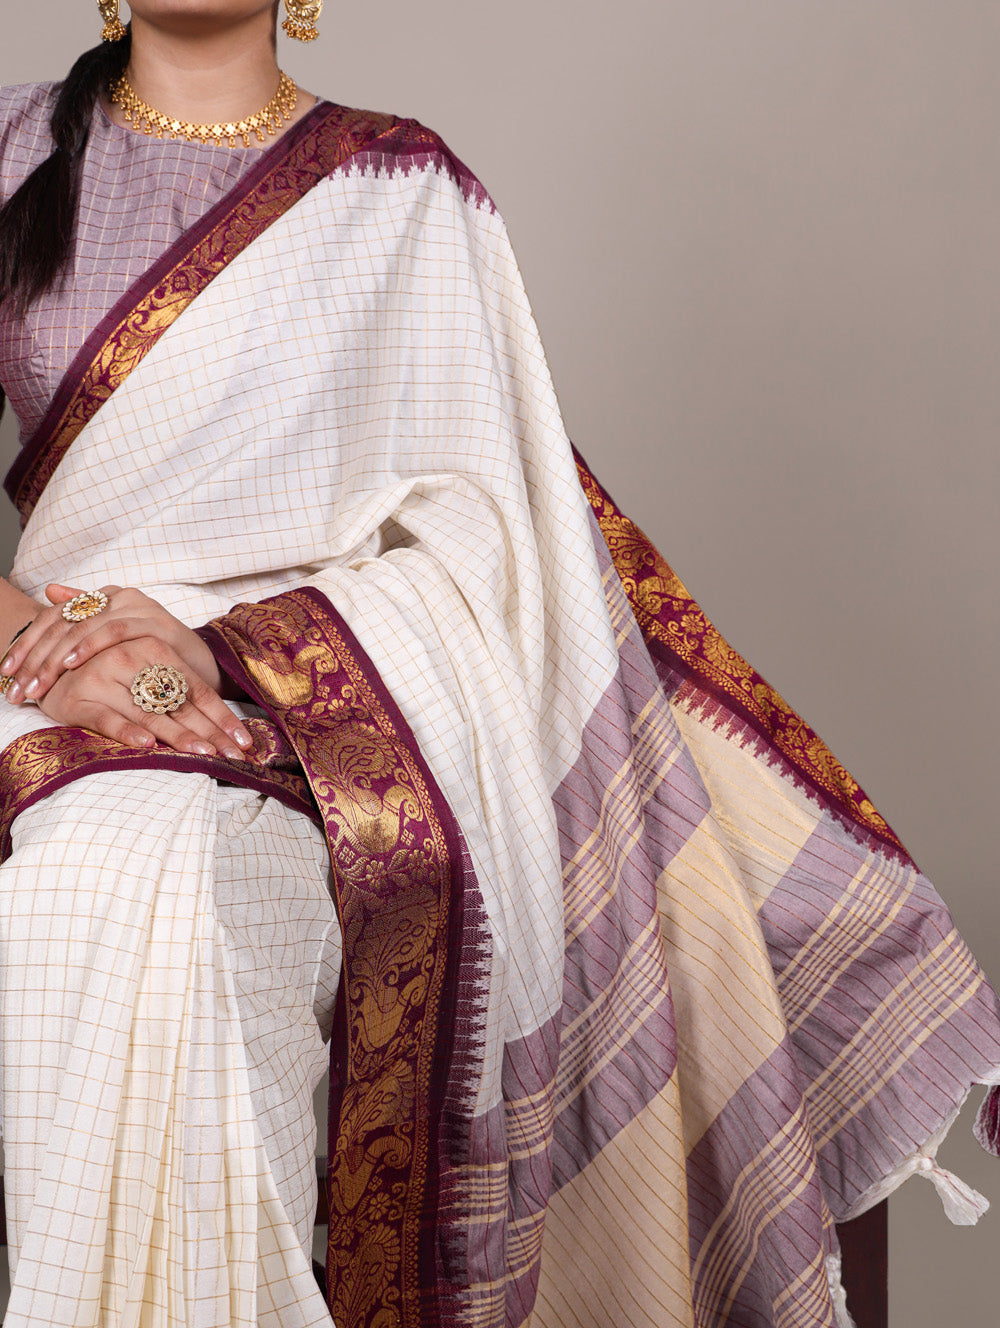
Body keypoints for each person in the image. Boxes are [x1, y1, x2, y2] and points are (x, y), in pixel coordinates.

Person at [0, 4, 999, 1327]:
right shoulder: (15, 149)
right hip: (39, 661)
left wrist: (224, 654)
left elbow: (487, 540)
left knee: (766, 909)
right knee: (112, 877)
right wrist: (43, 647)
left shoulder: (403, 189)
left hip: (326, 691)